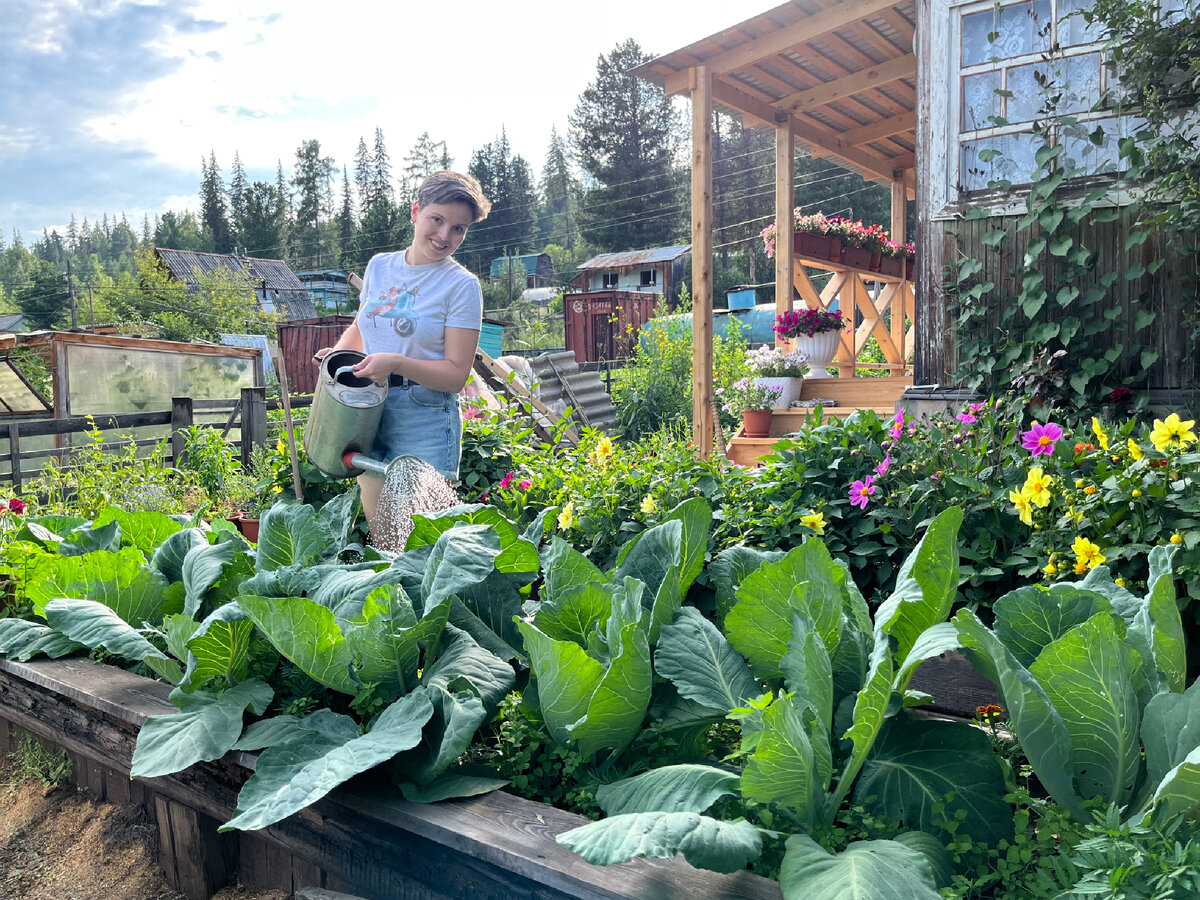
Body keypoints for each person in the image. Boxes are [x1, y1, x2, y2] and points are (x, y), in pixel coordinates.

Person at [314, 170, 491, 541]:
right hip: (367, 409)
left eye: (458, 228)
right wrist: (340, 354)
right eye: (437, 220)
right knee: (384, 537)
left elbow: (455, 375)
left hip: (423, 415)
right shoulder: (380, 266)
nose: (445, 235)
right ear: (415, 212)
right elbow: (363, 325)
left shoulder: (461, 286)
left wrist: (394, 363)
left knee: (421, 540)